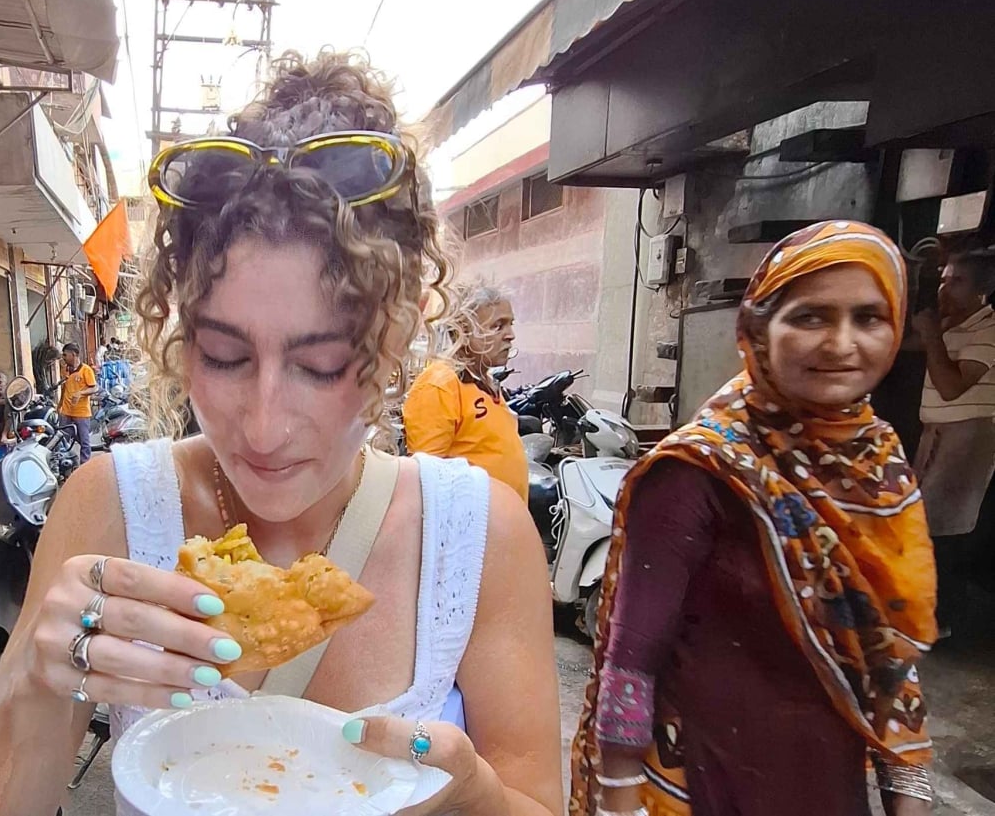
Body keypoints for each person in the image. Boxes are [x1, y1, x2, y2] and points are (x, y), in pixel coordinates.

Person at [0, 50, 562, 816]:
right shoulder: (110, 510)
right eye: (225, 355)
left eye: (322, 364)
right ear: (179, 340)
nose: (264, 425)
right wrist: (38, 689)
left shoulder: (479, 536)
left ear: (394, 340)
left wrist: (473, 798)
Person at [570, 221, 937, 816]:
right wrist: (618, 804)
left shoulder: (877, 466)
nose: (841, 343)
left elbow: (886, 651)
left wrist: (908, 788)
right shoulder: (700, 469)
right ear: (759, 330)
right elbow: (630, 660)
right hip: (700, 789)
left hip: (827, 790)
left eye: (869, 318)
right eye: (810, 317)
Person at [910, 250, 995, 638]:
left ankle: (940, 620)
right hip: (938, 435)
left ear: (982, 290)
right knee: (923, 521)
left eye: (956, 281)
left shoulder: (987, 331)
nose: (945, 289)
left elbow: (951, 387)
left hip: (968, 438)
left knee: (946, 529)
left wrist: (931, 335)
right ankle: (923, 610)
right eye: (944, 280)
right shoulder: (952, 325)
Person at [402, 280, 529, 499]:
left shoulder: (484, 380)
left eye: (510, 324)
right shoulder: (440, 384)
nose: (510, 335)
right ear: (464, 331)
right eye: (497, 326)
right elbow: (428, 481)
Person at [58, 342, 98, 464]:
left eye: (65, 355)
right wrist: (59, 405)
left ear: (73, 354)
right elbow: (64, 389)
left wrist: (80, 393)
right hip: (66, 412)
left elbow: (94, 388)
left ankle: (85, 465)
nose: (63, 358)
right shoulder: (65, 370)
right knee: (63, 440)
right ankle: (65, 464)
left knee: (84, 442)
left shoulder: (86, 370)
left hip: (81, 413)